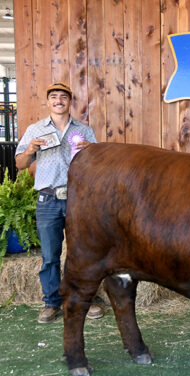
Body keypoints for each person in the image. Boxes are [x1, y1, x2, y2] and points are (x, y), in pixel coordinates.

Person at [15, 83, 104, 324]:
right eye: (53, 97)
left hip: (78, 200)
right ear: (48, 102)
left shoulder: (84, 130)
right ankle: (51, 302)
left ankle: (86, 298)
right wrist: (31, 148)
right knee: (50, 256)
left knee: (82, 253)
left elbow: (98, 164)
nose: (58, 101)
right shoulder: (35, 130)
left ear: (69, 102)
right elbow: (20, 164)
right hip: (48, 199)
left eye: (63, 97)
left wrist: (91, 150)